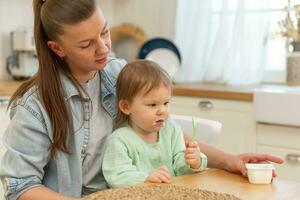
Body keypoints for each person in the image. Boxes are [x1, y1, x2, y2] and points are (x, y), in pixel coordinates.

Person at [0, 0, 283, 200]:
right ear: (57, 48)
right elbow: (21, 186)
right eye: (86, 44)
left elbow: (164, 130)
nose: (103, 49)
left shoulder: (116, 73)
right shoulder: (35, 106)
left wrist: (230, 161)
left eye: (104, 32)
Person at [102, 60, 207, 188]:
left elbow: (181, 169)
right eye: (152, 105)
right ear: (126, 107)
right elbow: (117, 175)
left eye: (166, 103)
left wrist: (192, 161)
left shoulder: (172, 131)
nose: (162, 111)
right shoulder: (120, 140)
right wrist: (145, 179)